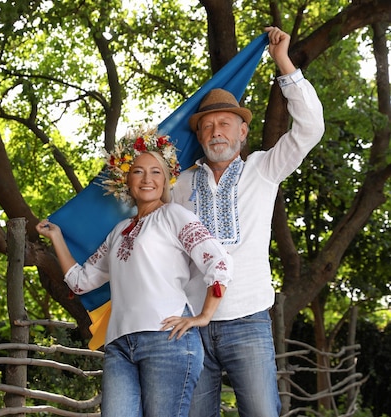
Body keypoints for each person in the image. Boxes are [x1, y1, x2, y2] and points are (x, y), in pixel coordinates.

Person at [171, 26, 325, 417]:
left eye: (224, 124)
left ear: (243, 131)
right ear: (199, 136)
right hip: (191, 321)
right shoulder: (178, 184)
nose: (215, 131)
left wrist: (283, 62)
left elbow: (310, 129)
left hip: (249, 318)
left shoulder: (263, 168)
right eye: (206, 126)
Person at [36, 126, 234, 417]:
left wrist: (203, 316)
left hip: (167, 340)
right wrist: (56, 237)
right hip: (119, 344)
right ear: (126, 179)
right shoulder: (119, 231)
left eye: (156, 172)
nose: (147, 179)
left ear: (166, 179)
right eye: (138, 171)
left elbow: (219, 263)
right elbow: (80, 281)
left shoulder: (174, 215)